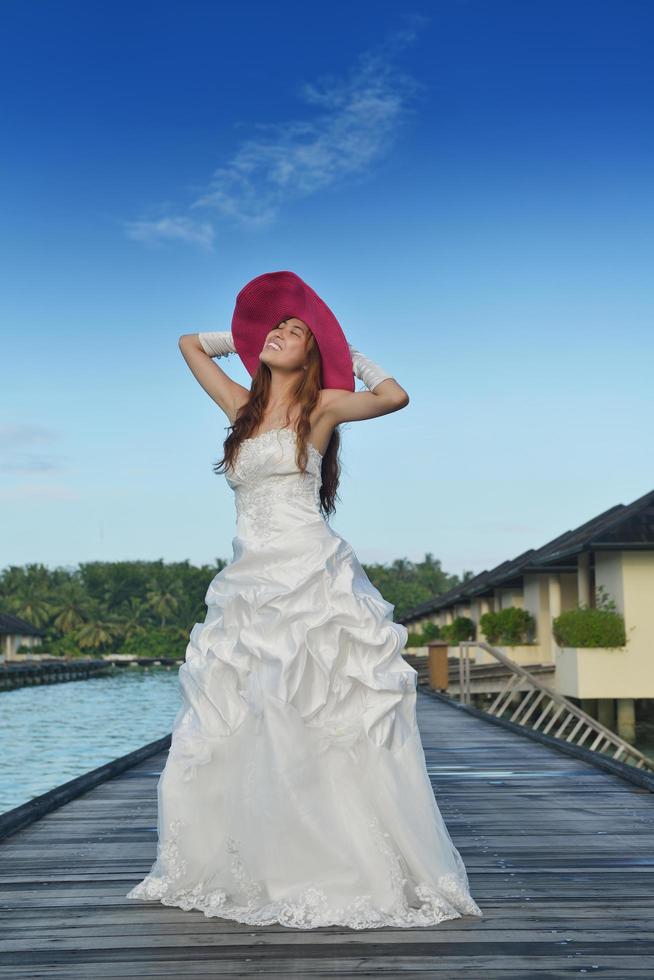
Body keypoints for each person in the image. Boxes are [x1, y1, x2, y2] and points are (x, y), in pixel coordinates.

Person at [125, 271, 483, 929]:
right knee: (236, 722)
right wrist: (238, 335)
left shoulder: (322, 408)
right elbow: (187, 345)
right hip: (248, 584)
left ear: (311, 356)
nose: (280, 333)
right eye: (276, 328)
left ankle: (333, 860)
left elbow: (395, 396)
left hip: (309, 574)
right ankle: (258, 857)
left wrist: (346, 353)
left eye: (294, 332)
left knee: (316, 714)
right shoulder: (241, 407)